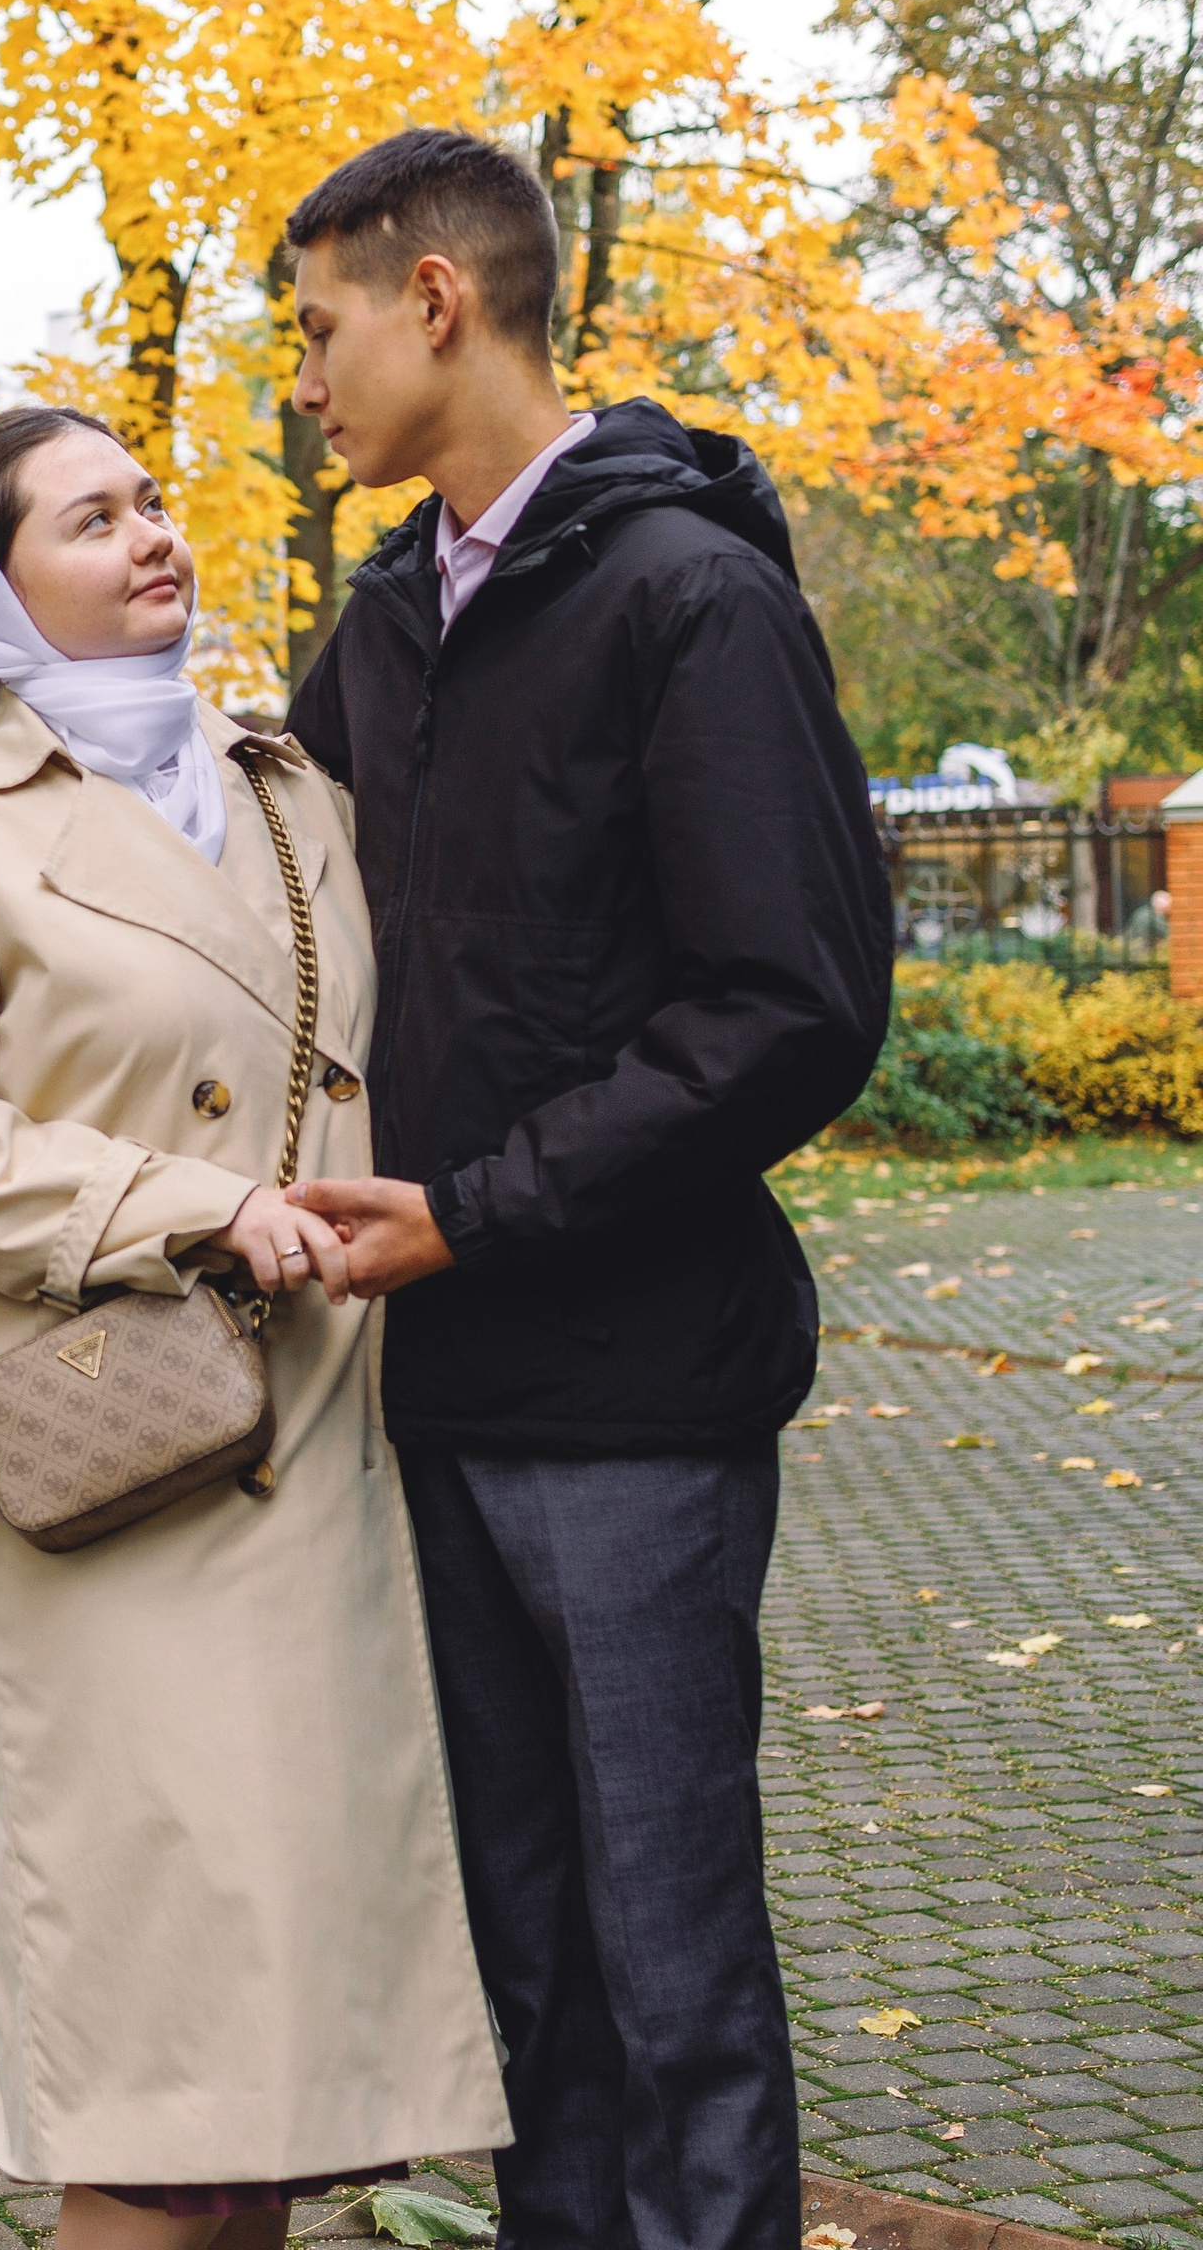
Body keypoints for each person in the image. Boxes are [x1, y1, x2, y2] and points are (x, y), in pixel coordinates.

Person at [278, 128, 895, 2250]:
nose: (304, 379)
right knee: (523, 1967)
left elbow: (787, 1004)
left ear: (435, 299)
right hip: (430, 1401)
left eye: (319, 325)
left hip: (631, 1403)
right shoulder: (373, 630)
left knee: (667, 1970)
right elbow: (258, 925)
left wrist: (478, 1204)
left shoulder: (685, 596)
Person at [0, 405, 510, 2250]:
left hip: (328, 1444)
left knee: (268, 2079)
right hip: (113, 1469)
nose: (149, 539)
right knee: (163, 2077)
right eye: (89, 519)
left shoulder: (290, 791)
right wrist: (198, 1209)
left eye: (151, 503)